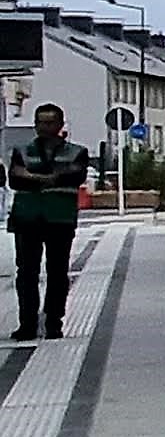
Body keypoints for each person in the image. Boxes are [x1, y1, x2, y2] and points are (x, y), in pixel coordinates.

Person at [9, 103, 91, 339]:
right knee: (26, 273)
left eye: (49, 123)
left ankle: (54, 322)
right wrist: (52, 177)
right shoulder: (22, 151)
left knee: (58, 272)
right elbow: (15, 180)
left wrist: (32, 176)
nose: (44, 128)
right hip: (27, 218)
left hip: (60, 218)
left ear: (60, 125)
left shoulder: (77, 152)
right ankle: (27, 324)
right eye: (40, 123)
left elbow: (74, 176)